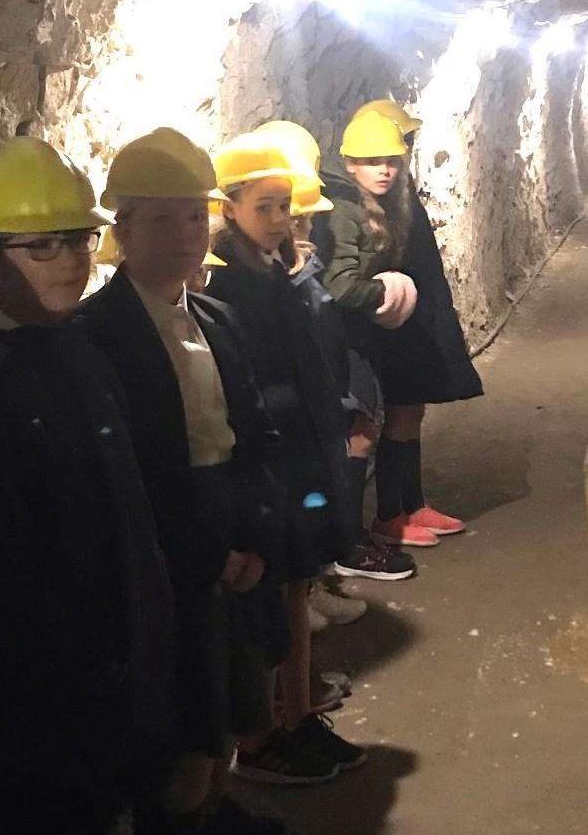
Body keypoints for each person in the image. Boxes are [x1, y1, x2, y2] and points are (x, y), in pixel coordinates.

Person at [0, 139, 176, 835]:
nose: (71, 260)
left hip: (120, 675)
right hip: (53, 711)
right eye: (45, 246)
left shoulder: (84, 352)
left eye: (80, 239)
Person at [77, 127, 287, 832]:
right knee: (179, 731)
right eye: (161, 218)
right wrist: (204, 555)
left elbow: (249, 437)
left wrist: (256, 536)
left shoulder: (217, 319)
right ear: (124, 228)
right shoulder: (96, 335)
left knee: (229, 707)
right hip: (166, 557)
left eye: (194, 216)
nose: (183, 234)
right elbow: (126, 476)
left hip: (228, 529)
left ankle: (214, 808)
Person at [205, 134, 366, 785]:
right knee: (277, 595)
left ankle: (296, 717)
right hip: (276, 459)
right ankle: (275, 728)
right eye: (266, 207)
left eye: (287, 210)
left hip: (302, 452)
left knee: (296, 585)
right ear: (231, 208)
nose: (280, 222)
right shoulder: (229, 288)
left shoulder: (278, 275)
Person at [258, 120, 417, 584]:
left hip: (334, 346)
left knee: (350, 438)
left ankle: (327, 559)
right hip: (334, 350)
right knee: (351, 439)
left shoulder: (338, 223)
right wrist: (384, 293)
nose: (300, 225)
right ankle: (340, 547)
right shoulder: (338, 220)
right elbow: (339, 287)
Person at [350, 100, 480, 541]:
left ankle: (412, 504)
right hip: (384, 329)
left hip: (410, 326)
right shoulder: (358, 208)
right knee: (391, 418)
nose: (397, 157)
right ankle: (391, 514)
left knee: (410, 414)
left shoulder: (401, 200)